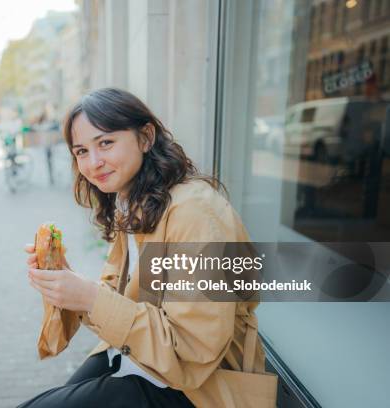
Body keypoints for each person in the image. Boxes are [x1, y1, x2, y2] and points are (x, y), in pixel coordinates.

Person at [19, 88, 271, 407]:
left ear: (145, 137)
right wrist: (67, 284)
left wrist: (89, 297)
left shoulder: (194, 212)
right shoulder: (133, 202)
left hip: (199, 389)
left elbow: (193, 350)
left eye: (105, 143)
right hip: (143, 360)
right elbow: (117, 300)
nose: (93, 163)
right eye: (81, 151)